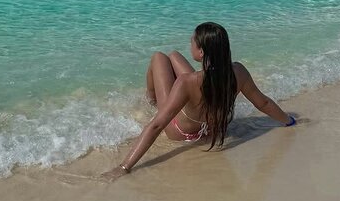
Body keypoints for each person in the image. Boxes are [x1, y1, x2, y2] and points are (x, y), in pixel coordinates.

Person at [102, 22, 296, 179]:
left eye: (192, 42)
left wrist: (124, 167)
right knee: (174, 55)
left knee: (159, 58)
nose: (190, 44)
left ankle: (151, 99)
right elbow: (263, 103)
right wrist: (289, 120)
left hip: (180, 132)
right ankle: (159, 97)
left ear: (201, 52)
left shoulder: (186, 82)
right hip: (212, 129)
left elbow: (157, 125)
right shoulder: (238, 72)